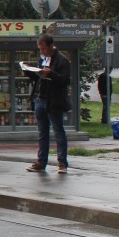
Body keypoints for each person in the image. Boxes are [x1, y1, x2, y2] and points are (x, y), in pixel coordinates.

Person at [23, 33, 71, 173]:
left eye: (43, 48)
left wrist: (51, 74)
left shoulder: (62, 61)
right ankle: (41, 161)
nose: (42, 51)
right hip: (40, 97)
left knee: (58, 131)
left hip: (54, 100)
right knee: (42, 132)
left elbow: (65, 80)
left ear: (51, 46)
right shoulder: (42, 59)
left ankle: (62, 162)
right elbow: (39, 77)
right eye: (40, 48)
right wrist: (29, 71)